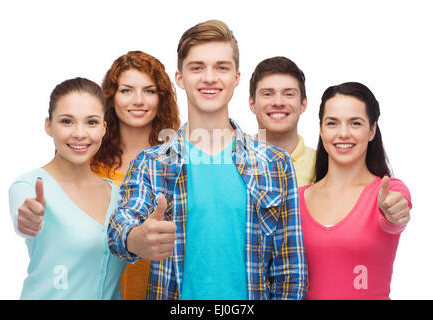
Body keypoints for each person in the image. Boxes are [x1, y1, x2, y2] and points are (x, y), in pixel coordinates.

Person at [108, 20, 307, 300]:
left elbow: (290, 272)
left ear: (237, 77)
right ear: (180, 78)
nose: (210, 77)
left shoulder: (275, 163)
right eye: (197, 67)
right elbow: (120, 225)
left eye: (221, 67)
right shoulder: (151, 163)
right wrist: (135, 238)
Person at [8, 77, 126, 299]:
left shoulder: (118, 195)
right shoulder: (28, 186)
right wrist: (26, 220)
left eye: (91, 122)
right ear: (48, 126)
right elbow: (22, 217)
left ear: (103, 128)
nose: (80, 133)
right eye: (67, 121)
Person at [299, 82, 412, 300]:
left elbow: (397, 210)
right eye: (332, 123)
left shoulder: (388, 191)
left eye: (355, 123)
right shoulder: (297, 199)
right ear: (321, 130)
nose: (343, 133)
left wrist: (396, 213)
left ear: (372, 131)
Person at [91, 51, 180, 300]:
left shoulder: (179, 162)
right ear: (111, 97)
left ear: (161, 99)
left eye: (149, 91)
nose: (138, 100)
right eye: (127, 90)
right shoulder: (90, 163)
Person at [249, 56, 316, 186]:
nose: (278, 102)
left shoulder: (323, 164)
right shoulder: (235, 161)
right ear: (252, 104)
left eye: (289, 94)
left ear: (303, 104)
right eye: (267, 94)